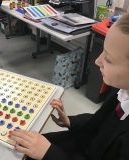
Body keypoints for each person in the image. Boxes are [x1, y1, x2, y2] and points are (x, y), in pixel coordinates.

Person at [8, 13, 129, 160]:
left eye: (108, 59)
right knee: (19, 148)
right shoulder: (122, 88)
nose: (97, 61)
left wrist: (49, 153)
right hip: (84, 142)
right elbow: (103, 123)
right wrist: (70, 121)